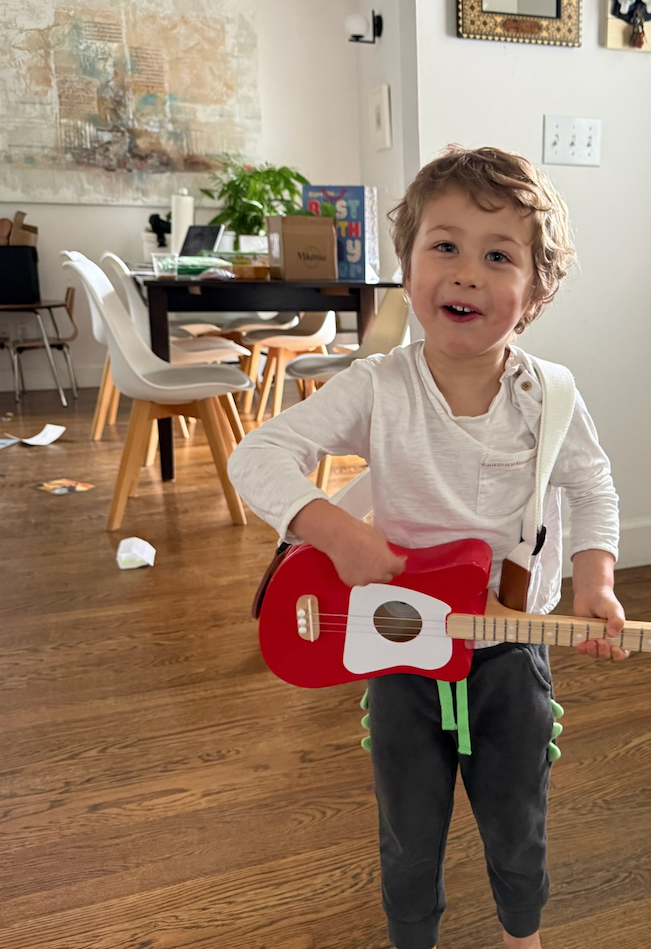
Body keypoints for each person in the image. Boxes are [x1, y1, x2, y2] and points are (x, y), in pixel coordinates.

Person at [228, 145, 626, 949]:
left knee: (519, 819)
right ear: (406, 268)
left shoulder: (549, 397)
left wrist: (596, 577)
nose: (467, 273)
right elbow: (255, 456)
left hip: (511, 650)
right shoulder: (379, 386)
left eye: (498, 256)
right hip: (398, 648)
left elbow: (592, 488)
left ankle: (523, 934)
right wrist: (334, 530)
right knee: (408, 829)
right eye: (444, 246)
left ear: (537, 293)